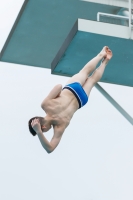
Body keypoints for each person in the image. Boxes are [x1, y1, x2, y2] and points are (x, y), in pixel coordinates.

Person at [28, 46, 113, 153]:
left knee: (92, 80)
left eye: (44, 132)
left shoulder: (59, 127)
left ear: (43, 127)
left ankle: (105, 62)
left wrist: (39, 132)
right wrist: (59, 96)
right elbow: (59, 86)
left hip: (81, 100)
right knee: (85, 71)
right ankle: (101, 54)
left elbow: (50, 149)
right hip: (72, 89)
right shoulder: (45, 105)